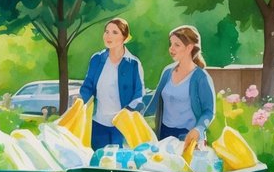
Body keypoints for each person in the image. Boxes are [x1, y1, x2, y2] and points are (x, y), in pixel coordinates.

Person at [143, 25, 216, 153]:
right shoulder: (167, 72)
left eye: (177, 45)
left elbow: (209, 111)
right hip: (164, 135)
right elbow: (154, 103)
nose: (171, 49)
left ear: (189, 48)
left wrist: (198, 129)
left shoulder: (201, 77)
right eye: (171, 44)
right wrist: (133, 111)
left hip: (188, 137)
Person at [78, 19, 146, 149]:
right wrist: (80, 100)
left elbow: (139, 94)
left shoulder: (133, 64)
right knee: (98, 162)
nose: (108, 36)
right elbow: (88, 86)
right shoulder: (97, 59)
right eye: (107, 32)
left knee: (119, 163)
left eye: (114, 32)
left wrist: (128, 111)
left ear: (124, 38)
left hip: (122, 126)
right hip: (98, 124)